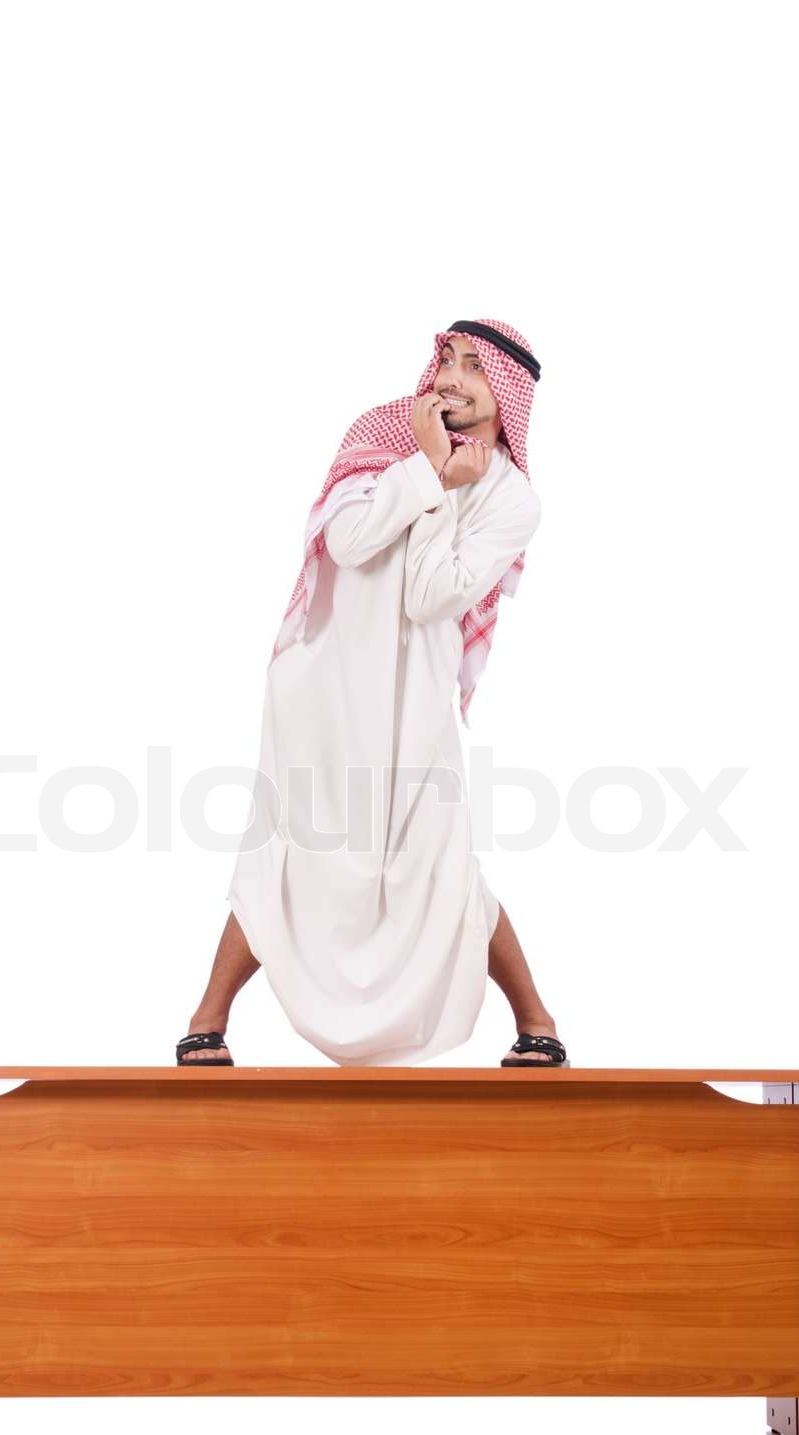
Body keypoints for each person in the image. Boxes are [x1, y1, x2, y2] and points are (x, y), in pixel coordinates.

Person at [175, 318, 569, 1069]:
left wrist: (447, 492)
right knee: (289, 851)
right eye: (446, 360)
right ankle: (208, 1017)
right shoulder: (382, 432)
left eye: (473, 369)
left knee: (439, 861)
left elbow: (429, 598)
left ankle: (537, 1021)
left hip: (413, 700)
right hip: (321, 686)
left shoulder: (514, 500)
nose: (451, 378)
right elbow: (351, 543)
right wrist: (425, 469)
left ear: (506, 394)